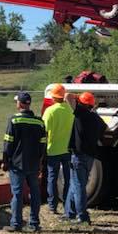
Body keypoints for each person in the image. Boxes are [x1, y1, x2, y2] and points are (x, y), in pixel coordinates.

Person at [1, 92, 47, 232]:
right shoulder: (40, 122)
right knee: (34, 193)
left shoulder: (14, 120)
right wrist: (40, 162)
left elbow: (8, 142)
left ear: (20, 104)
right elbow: (43, 144)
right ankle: (34, 223)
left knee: (18, 193)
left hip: (17, 163)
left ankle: (16, 224)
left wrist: (5, 160)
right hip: (33, 164)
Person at [65, 91, 107, 225]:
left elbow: (66, 96)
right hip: (90, 156)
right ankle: (70, 213)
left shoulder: (81, 113)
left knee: (78, 186)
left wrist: (77, 96)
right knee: (75, 184)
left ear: (82, 104)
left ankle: (82, 216)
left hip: (78, 156)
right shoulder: (96, 118)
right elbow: (105, 128)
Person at [42, 83, 74, 215]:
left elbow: (44, 132)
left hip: (52, 150)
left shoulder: (50, 111)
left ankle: (52, 206)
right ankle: (67, 203)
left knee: (52, 178)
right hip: (67, 150)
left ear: (54, 97)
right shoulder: (70, 110)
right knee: (68, 178)